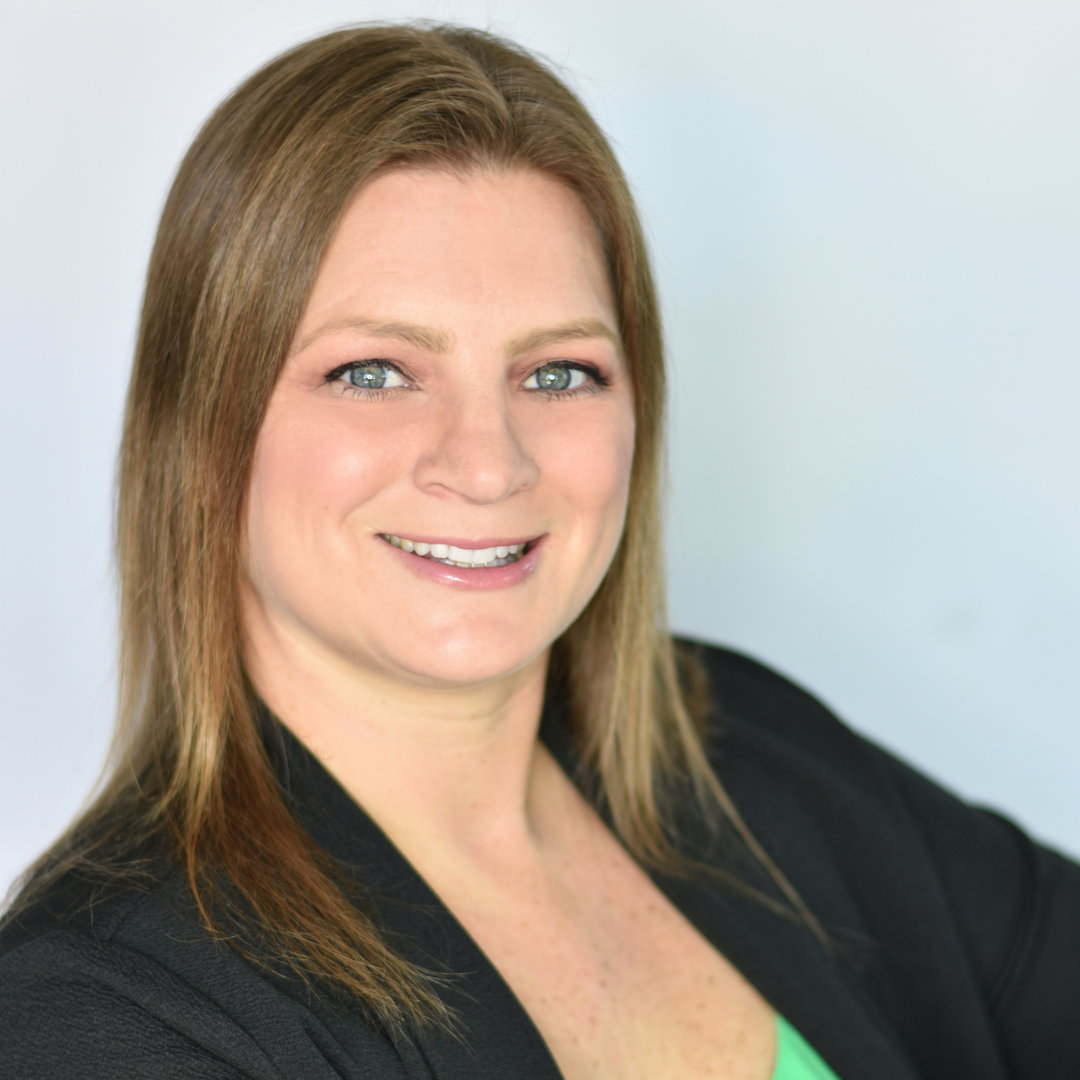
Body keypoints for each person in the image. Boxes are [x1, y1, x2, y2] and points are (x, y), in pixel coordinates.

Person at [0, 22, 1077, 1080]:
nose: (486, 464)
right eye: (374, 372)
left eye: (558, 372)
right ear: (202, 426)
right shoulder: (102, 1010)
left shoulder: (742, 751)